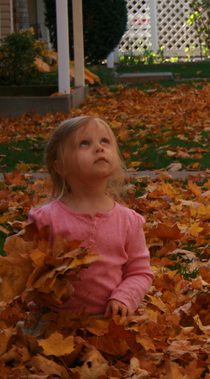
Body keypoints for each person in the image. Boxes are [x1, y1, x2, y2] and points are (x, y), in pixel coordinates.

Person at [28, 116, 153, 318]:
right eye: (84, 143)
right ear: (60, 167)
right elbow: (30, 273)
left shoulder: (129, 221)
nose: (98, 148)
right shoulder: (46, 219)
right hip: (52, 324)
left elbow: (140, 272)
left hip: (107, 322)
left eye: (105, 141)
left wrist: (124, 297)